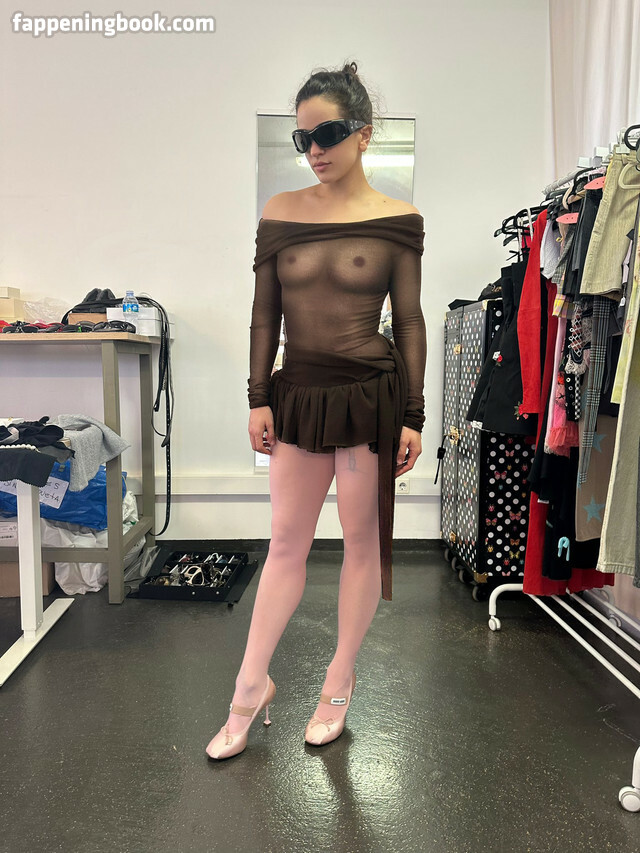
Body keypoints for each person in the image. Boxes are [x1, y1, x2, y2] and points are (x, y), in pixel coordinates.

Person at [206, 61, 427, 760]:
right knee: (285, 542)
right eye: (303, 139)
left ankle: (339, 679)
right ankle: (250, 685)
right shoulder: (281, 210)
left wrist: (414, 414)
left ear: (365, 133)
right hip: (298, 395)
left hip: (369, 399)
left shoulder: (398, 220)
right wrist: (257, 396)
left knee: (360, 542)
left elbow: (410, 320)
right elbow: (263, 314)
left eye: (328, 133)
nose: (315, 149)